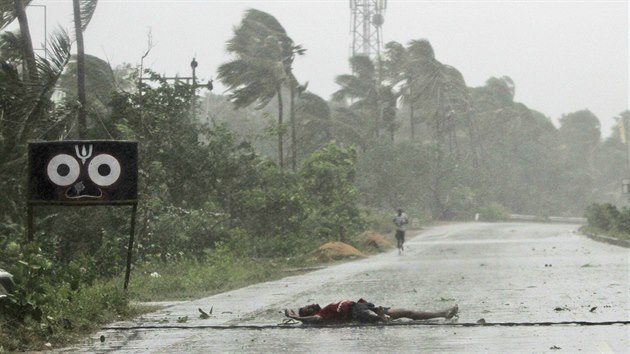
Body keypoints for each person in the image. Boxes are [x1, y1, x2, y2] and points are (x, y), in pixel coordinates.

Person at [284, 298, 458, 325]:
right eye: (305, 308)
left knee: (407, 311)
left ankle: (443, 313)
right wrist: (296, 318)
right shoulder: (320, 315)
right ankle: (382, 319)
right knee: (375, 317)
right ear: (307, 313)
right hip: (356, 313)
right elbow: (313, 320)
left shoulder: (327, 306)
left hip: (363, 305)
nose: (310, 304)